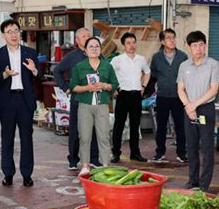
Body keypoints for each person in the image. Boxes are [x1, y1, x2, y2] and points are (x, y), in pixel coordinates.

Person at [0, 19, 39, 187]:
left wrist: (34, 70)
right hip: (7, 100)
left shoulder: (30, 53)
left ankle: (27, 175)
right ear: (4, 35)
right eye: (9, 31)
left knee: (27, 138)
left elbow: (38, 77)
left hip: (25, 100)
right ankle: (8, 173)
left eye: (16, 30)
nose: (14, 34)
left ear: (20, 33)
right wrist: (5, 75)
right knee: (7, 138)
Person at [177, 31, 219, 192]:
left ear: (205, 45)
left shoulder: (213, 64)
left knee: (207, 147)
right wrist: (189, 106)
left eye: (201, 44)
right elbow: (180, 88)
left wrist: (194, 105)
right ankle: (193, 180)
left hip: (205, 109)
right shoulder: (184, 66)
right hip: (189, 110)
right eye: (194, 45)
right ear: (189, 47)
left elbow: (214, 89)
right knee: (191, 146)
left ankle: (204, 184)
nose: (198, 48)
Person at [69, 37, 119, 176]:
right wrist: (87, 87)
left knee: (103, 136)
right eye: (91, 46)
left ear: (100, 49)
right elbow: (73, 87)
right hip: (85, 105)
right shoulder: (79, 67)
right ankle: (85, 165)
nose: (94, 49)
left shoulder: (107, 66)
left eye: (97, 46)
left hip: (102, 105)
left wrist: (104, 85)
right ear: (85, 50)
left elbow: (114, 84)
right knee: (85, 136)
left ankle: (105, 165)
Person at [53, 28, 101, 170]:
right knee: (75, 130)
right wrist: (65, 87)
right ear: (78, 40)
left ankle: (93, 158)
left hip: (94, 98)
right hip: (78, 98)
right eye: (84, 36)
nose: (87, 38)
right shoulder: (72, 56)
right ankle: (73, 159)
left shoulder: (97, 55)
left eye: (89, 35)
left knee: (94, 129)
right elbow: (57, 71)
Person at [110, 32, 151, 163]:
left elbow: (148, 72)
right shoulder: (117, 60)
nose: (131, 45)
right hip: (123, 95)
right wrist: (114, 88)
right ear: (123, 46)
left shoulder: (141, 59)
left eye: (133, 42)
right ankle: (115, 153)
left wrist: (143, 86)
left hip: (136, 95)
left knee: (135, 125)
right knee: (119, 125)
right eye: (128, 43)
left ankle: (135, 153)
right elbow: (109, 74)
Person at [150, 29, 188, 163]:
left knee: (180, 126)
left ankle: (182, 153)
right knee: (161, 126)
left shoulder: (183, 56)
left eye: (173, 37)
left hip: (179, 96)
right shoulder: (156, 57)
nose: (172, 40)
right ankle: (160, 153)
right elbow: (154, 74)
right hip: (162, 96)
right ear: (162, 41)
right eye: (168, 38)